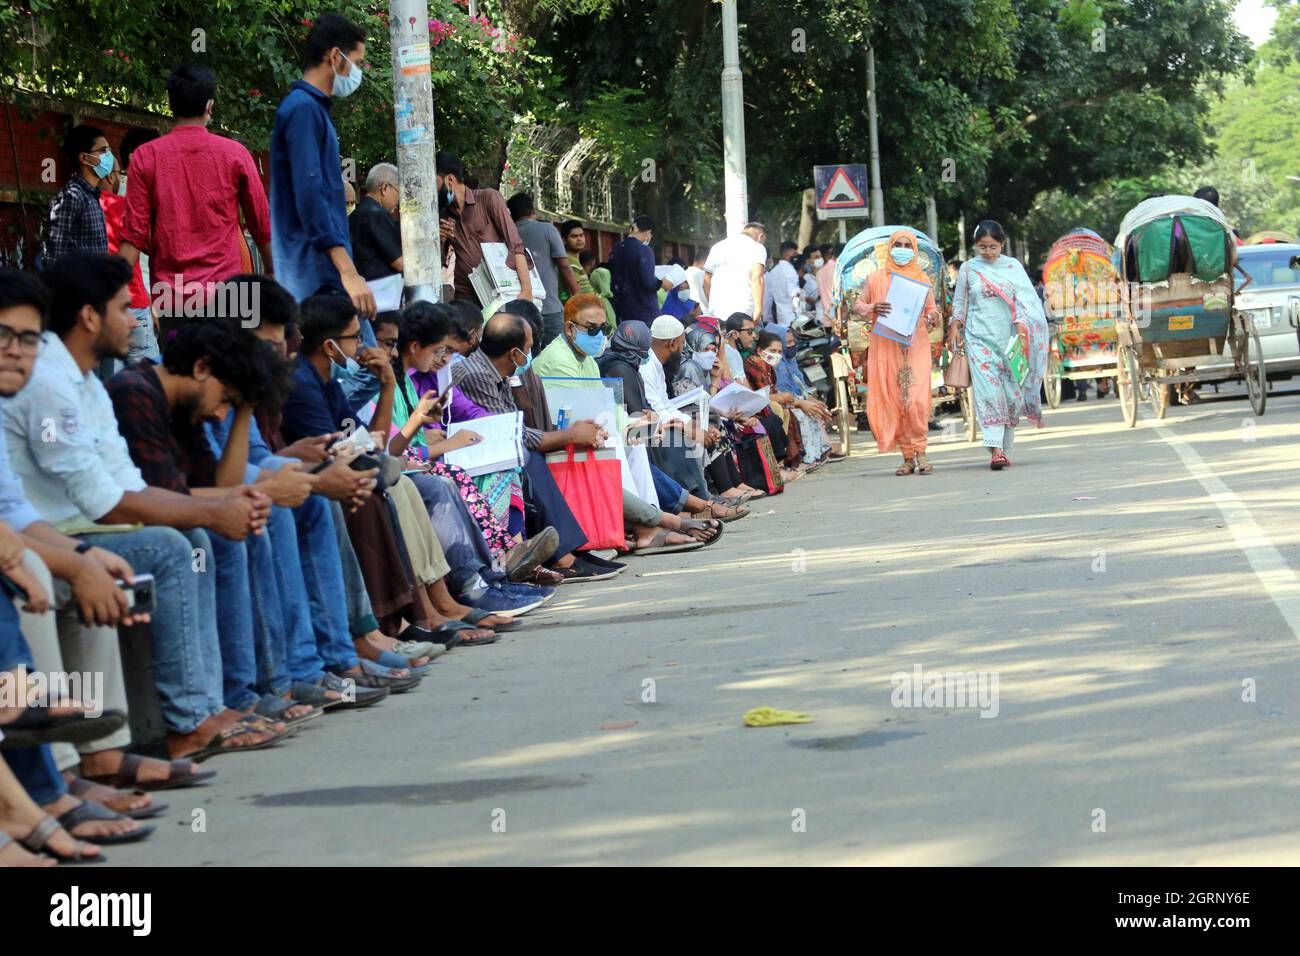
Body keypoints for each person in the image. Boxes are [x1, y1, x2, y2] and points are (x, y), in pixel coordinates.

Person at [4, 253, 291, 760]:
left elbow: (126, 485)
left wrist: (225, 504)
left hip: (65, 532)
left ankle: (112, 755)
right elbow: (110, 505)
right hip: (59, 533)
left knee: (190, 538)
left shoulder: (85, 380)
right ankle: (188, 722)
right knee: (168, 547)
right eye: (123, 307)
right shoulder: (52, 381)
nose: (135, 318)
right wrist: (212, 509)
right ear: (90, 316)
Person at [118, 63, 273, 334]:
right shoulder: (234, 154)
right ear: (210, 106)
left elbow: (133, 235)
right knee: (230, 374)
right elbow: (261, 224)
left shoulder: (146, 156)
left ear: (170, 103)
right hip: (231, 296)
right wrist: (272, 273)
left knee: (181, 373)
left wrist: (111, 292)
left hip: (173, 298)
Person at [269, 13, 375, 318]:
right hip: (314, 276)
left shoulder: (313, 111)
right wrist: (348, 271)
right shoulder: (302, 110)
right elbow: (311, 196)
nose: (357, 71)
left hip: (322, 273)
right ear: (334, 57)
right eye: (356, 62)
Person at [950, 220, 1049, 470]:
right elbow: (960, 303)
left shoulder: (1012, 266)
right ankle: (995, 450)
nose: (988, 253)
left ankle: (1004, 447)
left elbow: (1023, 301)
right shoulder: (969, 269)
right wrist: (955, 326)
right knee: (989, 393)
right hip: (978, 339)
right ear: (975, 246)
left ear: (1002, 244)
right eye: (983, 247)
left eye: (993, 247)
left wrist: (1021, 332)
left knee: (1011, 395)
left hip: (1011, 341)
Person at [851, 230, 943, 475]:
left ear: (913, 250)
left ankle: (921, 451)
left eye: (906, 245)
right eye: (897, 244)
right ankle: (907, 457)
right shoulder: (876, 278)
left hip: (916, 344)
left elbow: (932, 310)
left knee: (916, 401)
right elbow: (858, 306)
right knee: (895, 401)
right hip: (886, 344)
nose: (901, 249)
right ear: (890, 248)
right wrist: (873, 307)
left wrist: (933, 317)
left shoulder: (921, 277)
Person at [437, 152, 531, 306]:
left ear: (450, 179)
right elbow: (440, 263)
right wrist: (441, 240)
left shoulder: (488, 198)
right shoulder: (444, 215)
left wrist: (527, 290)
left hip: (499, 292)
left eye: (435, 183)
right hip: (465, 297)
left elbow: (515, 245)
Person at [507, 195, 579, 348]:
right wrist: (578, 298)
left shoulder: (507, 235)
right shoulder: (547, 229)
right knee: (555, 357)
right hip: (549, 308)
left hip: (520, 311)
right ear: (533, 210)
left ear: (511, 214)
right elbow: (564, 266)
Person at [40, 125, 111, 270]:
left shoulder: (93, 196)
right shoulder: (71, 197)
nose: (109, 156)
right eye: (103, 151)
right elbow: (54, 255)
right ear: (84, 158)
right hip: (77, 290)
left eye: (108, 151)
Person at [609, 215, 672, 326]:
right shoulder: (644, 251)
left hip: (622, 312)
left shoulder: (615, 249)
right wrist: (661, 282)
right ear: (648, 233)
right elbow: (649, 283)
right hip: (645, 313)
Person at [349, 162, 403, 281]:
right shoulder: (377, 215)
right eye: (398, 192)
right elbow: (399, 263)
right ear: (384, 188)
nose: (399, 199)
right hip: (379, 292)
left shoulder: (355, 215)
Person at [703, 222, 767, 323]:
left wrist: (713, 304)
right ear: (761, 237)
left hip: (716, 313)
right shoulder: (757, 247)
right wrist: (758, 310)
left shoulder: (717, 247)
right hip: (743, 313)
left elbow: (706, 280)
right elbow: (757, 278)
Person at [763, 241, 801, 325]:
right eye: (793, 253)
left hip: (781, 317)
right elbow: (794, 295)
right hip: (793, 318)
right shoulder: (789, 271)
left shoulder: (774, 271)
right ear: (786, 253)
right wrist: (798, 315)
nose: (795, 256)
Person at [685, 250, 709, 314]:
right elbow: (708, 293)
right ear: (705, 262)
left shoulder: (684, 273)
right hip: (704, 310)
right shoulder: (705, 275)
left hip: (689, 310)